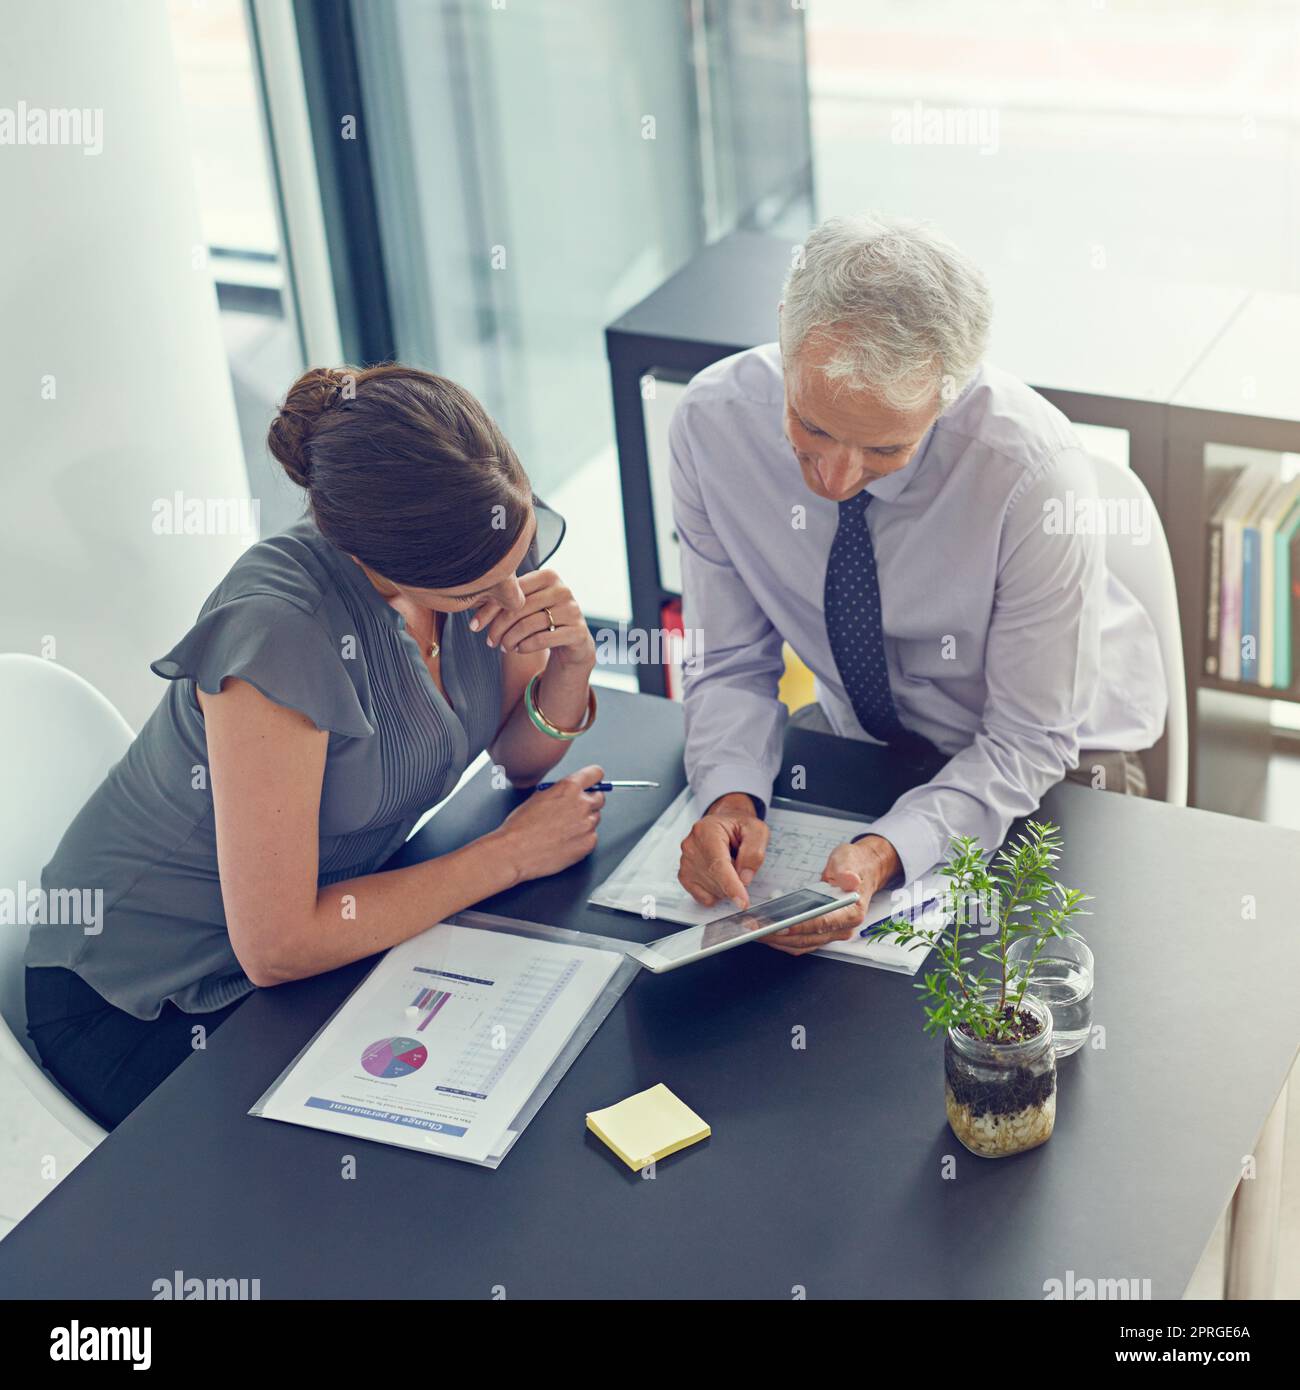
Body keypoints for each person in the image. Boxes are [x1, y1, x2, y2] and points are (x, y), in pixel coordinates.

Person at [26, 364, 604, 1128]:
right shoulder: (277, 634)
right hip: (146, 1004)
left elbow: (517, 755)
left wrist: (572, 663)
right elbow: (277, 946)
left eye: (519, 560)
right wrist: (509, 856)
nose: (510, 599)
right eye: (474, 595)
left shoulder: (479, 540)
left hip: (324, 942)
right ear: (386, 565)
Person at [672, 213, 1167, 954]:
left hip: (1058, 768)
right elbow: (732, 665)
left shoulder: (1032, 474)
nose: (835, 479)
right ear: (784, 331)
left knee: (998, 1013)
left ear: (951, 392)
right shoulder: (712, 428)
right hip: (868, 740)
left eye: (884, 447)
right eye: (810, 426)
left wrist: (887, 853)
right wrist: (728, 794)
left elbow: (1030, 739)